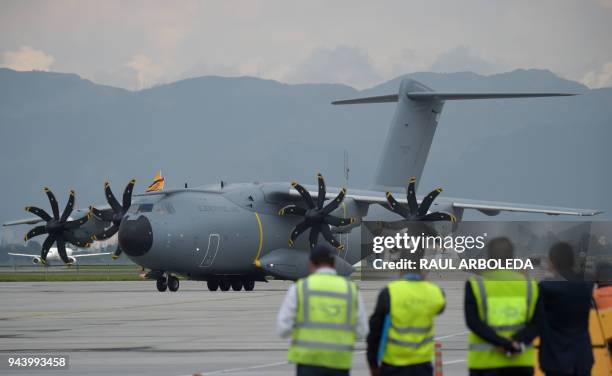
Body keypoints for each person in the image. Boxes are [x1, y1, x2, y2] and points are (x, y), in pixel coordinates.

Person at [277, 243, 368, 375]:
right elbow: (362, 331)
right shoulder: (350, 290)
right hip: (339, 362)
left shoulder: (299, 288)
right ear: (334, 263)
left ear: (311, 263)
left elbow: (283, 329)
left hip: (308, 362)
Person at [464, 237, 540, 376]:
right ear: (512, 259)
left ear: (488, 258)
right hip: (520, 362)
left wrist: (503, 343)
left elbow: (473, 322)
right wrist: (515, 343)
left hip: (485, 363)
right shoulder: (530, 286)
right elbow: (538, 323)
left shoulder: (476, 285)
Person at [367, 248, 446, 376]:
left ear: (401, 267)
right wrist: (424, 281)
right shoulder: (433, 292)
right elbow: (441, 306)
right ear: (421, 267)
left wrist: (372, 363)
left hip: (393, 365)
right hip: (421, 365)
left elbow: (375, 331)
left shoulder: (389, 292)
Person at [538, 242, 594, 376]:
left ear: (552, 261)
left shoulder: (545, 287)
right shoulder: (586, 286)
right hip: (581, 357)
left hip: (555, 358)